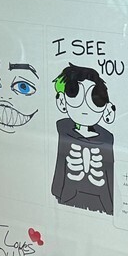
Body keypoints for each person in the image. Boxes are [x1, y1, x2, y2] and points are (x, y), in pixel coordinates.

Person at [50, 64, 116, 215]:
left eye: (96, 101)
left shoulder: (107, 138)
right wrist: (56, 192)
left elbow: (109, 170)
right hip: (69, 194)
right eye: (75, 96)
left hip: (101, 199)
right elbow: (61, 164)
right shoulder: (64, 129)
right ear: (62, 101)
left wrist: (112, 204)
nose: (85, 107)